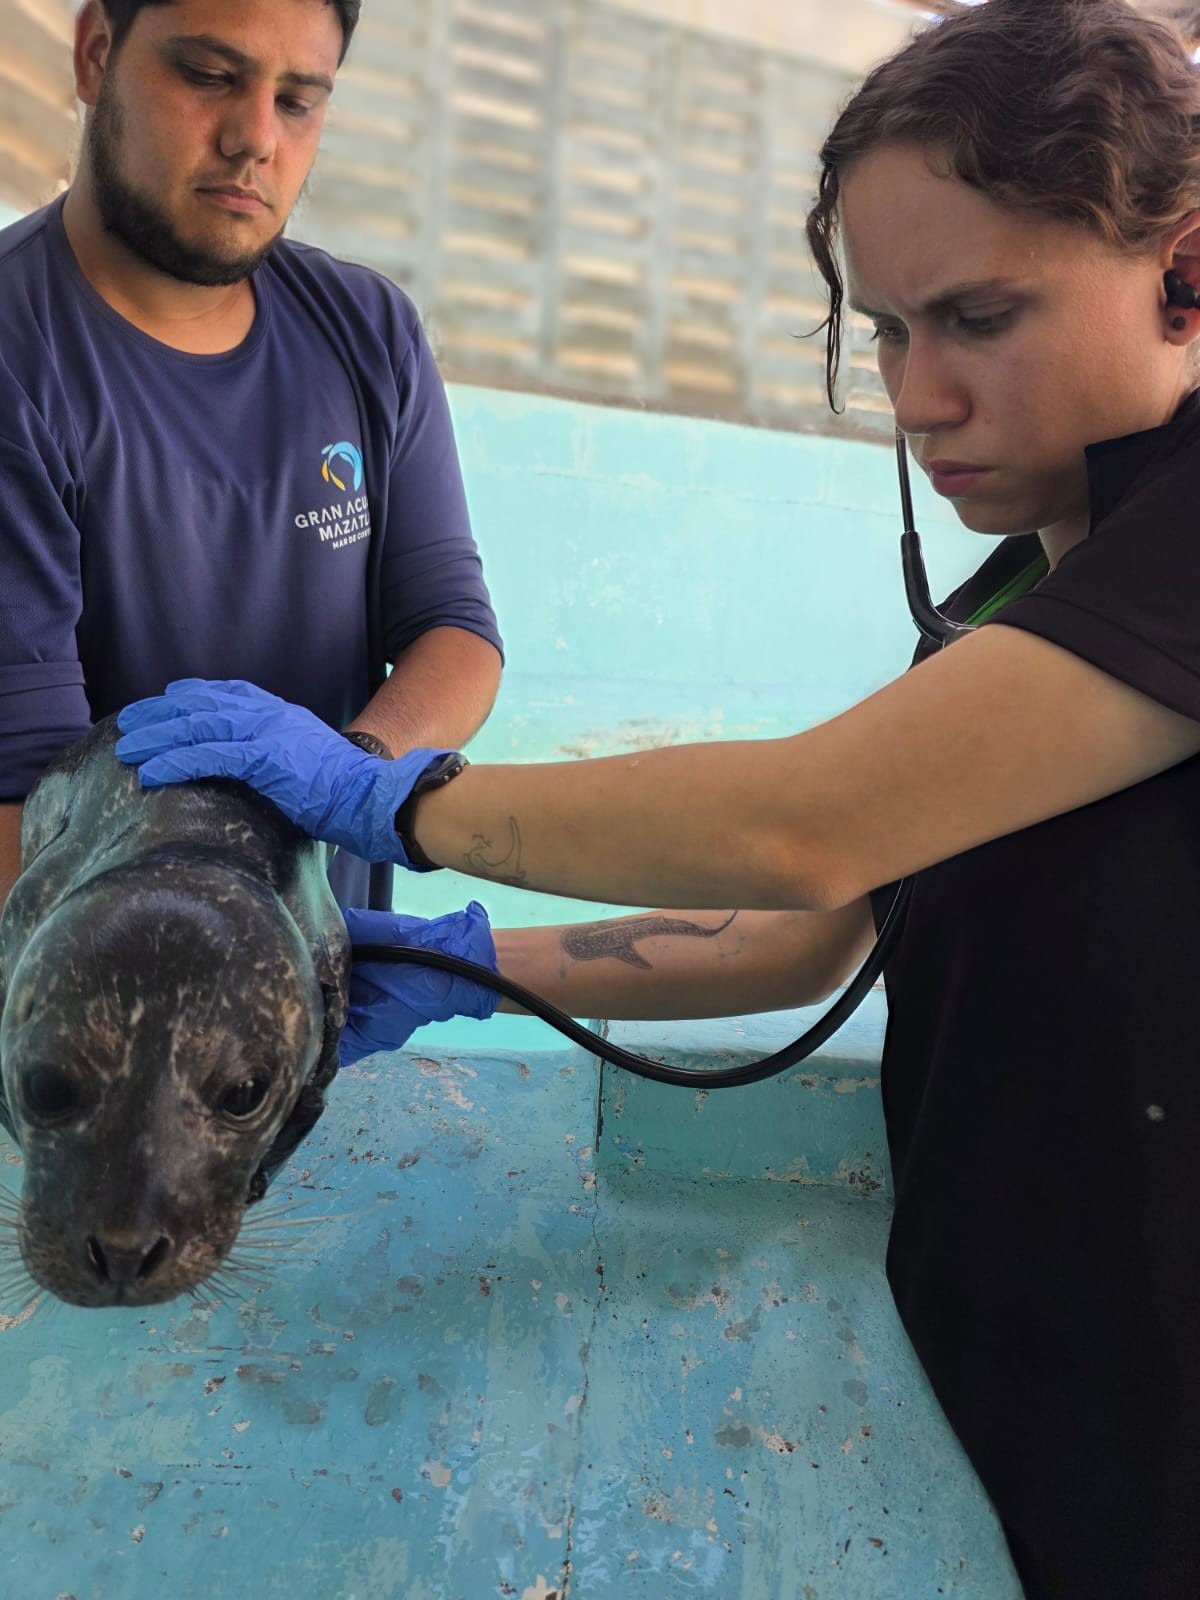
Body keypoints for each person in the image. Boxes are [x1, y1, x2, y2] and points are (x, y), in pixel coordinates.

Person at [113, 0, 1200, 1594]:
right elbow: (807, 929)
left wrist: (394, 802)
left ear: (1186, 268)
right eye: (890, 334)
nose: (917, 399)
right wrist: (459, 963)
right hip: (1042, 1422)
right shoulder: (1025, 596)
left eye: (978, 318)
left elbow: (803, 826)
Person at [0, 0, 504, 919]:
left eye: (298, 100)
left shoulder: (369, 331)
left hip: (326, 979)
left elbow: (455, 632)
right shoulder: (15, 353)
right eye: (208, 76)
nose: (255, 139)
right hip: (99, 980)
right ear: (95, 54)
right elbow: (22, 815)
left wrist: (346, 774)